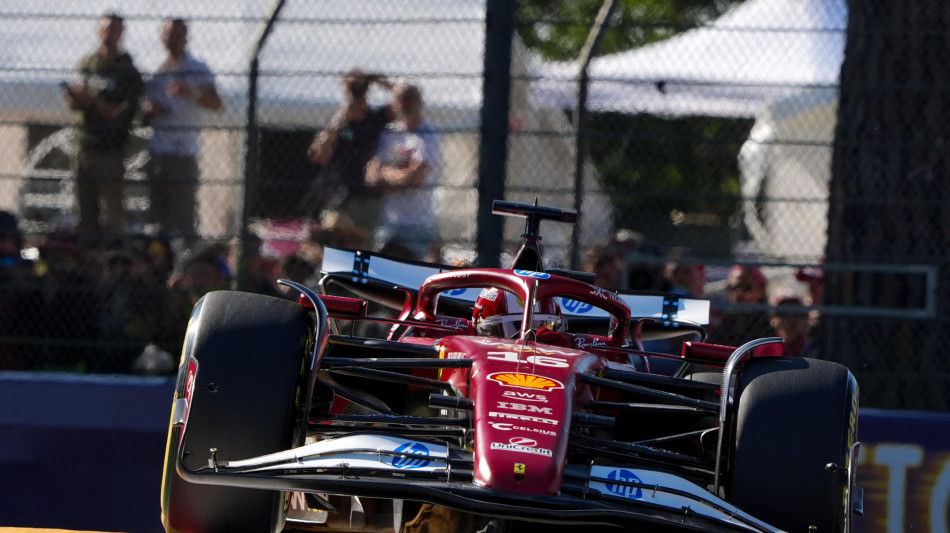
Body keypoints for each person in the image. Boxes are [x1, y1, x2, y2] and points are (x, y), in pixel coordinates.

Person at [61, 12, 143, 244]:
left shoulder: (128, 72)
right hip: (84, 145)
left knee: (112, 212)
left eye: (115, 30)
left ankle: (114, 259)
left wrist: (93, 100)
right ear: (98, 31)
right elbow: (75, 104)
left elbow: (119, 113)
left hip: (110, 150)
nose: (109, 34)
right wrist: (75, 97)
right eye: (106, 29)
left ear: (122, 34)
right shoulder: (88, 64)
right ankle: (87, 261)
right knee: (84, 209)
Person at [142, 18, 223, 244]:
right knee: (158, 215)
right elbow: (144, 113)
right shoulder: (157, 70)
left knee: (184, 213)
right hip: (158, 149)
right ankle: (160, 260)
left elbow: (217, 104)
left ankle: (188, 260)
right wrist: (150, 111)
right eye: (168, 35)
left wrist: (192, 93)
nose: (172, 40)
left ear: (186, 38)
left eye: (178, 35)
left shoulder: (197, 69)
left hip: (183, 151)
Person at [305, 68, 392, 233]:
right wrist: (339, 121)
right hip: (339, 197)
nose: (356, 95)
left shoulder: (377, 118)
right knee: (336, 246)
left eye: (360, 88)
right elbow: (318, 155)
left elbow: (406, 101)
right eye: (352, 88)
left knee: (362, 252)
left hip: (368, 196)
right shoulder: (337, 122)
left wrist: (379, 80)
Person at [365, 83, 441, 258]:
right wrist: (400, 179)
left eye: (411, 99)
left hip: (418, 224)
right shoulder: (389, 133)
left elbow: (416, 177)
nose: (406, 104)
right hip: (389, 223)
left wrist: (386, 176)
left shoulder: (428, 134)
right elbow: (372, 176)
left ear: (420, 102)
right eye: (401, 98)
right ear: (394, 103)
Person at [707, 265, 781, 355]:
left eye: (747, 288)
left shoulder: (769, 325)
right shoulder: (722, 322)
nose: (739, 294)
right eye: (735, 288)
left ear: (760, 291)